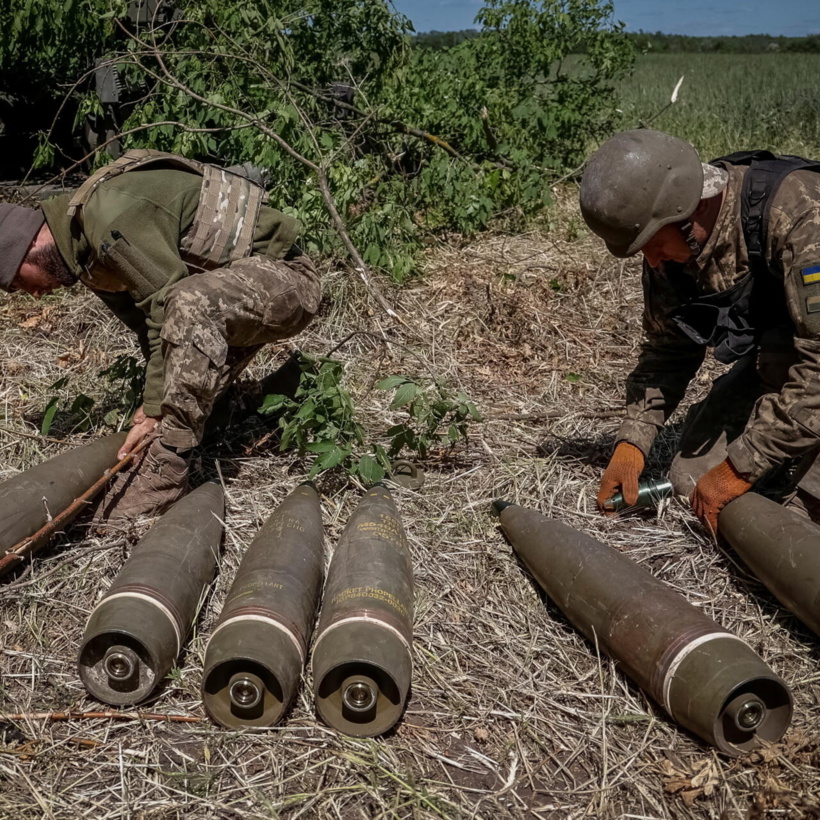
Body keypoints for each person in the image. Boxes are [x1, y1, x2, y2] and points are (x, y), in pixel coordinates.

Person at [0, 149, 320, 520]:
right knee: (200, 411)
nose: (33, 295)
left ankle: (167, 471)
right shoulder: (84, 255)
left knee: (187, 303)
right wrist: (155, 406)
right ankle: (283, 390)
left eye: (19, 284)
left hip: (286, 280)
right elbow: (149, 328)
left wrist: (156, 414)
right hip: (230, 295)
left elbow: (168, 306)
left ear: (27, 251)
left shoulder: (107, 220)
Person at [579, 129, 820, 534]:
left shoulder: (800, 215)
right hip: (790, 351)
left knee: (799, 521)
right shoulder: (667, 246)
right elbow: (667, 350)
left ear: (691, 211)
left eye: (653, 245)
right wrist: (633, 441)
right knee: (689, 479)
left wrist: (744, 465)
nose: (652, 263)